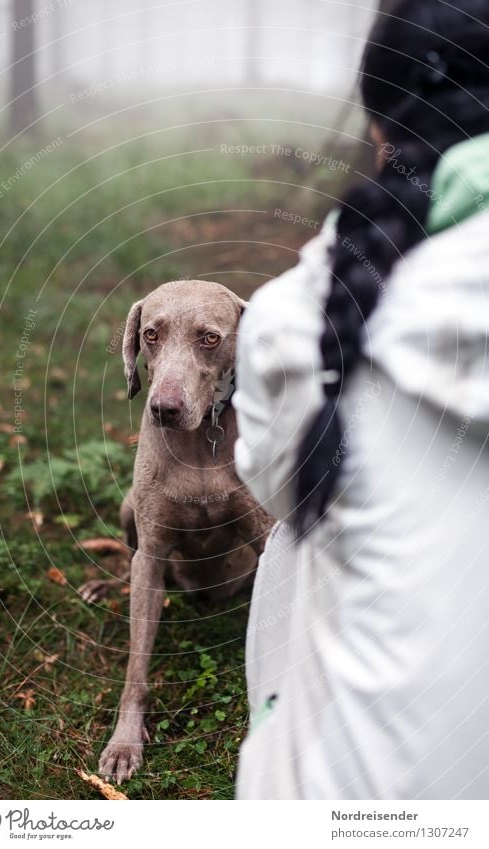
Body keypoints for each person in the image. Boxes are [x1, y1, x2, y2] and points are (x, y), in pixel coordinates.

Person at [232, 0, 489, 800]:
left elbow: (277, 491)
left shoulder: (295, 314)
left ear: (381, 136)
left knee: (294, 541)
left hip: (359, 791)